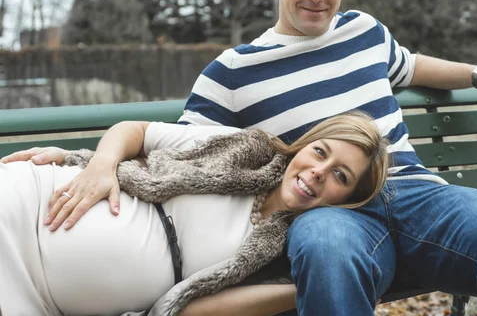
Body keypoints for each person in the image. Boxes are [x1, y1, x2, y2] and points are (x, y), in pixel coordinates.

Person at [19, 0, 477, 316]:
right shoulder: (233, 71)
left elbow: (414, 64)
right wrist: (80, 161)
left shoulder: (364, 32)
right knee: (327, 258)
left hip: (414, 192)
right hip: (328, 208)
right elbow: (172, 158)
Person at [0, 112, 389, 316]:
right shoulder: (247, 148)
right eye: (320, 151)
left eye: (341, 175)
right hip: (29, 208)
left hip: (43, 301)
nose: (319, 171)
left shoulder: (288, 252)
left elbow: (191, 311)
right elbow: (135, 130)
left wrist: (312, 281)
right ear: (305, 145)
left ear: (346, 199)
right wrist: (99, 164)